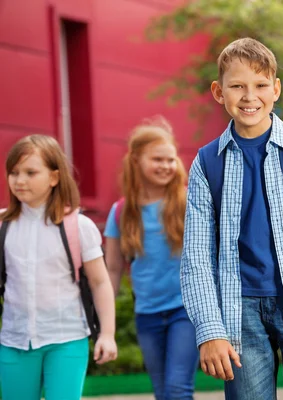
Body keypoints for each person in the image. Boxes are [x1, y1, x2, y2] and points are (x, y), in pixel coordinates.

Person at [180, 37, 283, 400]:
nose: (249, 96)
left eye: (259, 85)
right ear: (218, 92)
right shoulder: (207, 163)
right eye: (237, 86)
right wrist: (210, 330)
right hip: (240, 313)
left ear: (276, 89)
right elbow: (196, 258)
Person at [0, 135, 117, 400]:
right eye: (14, 172)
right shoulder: (3, 226)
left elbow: (100, 283)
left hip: (67, 339)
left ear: (54, 177)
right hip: (14, 341)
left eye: (31, 172)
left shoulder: (79, 227)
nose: (19, 180)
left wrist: (107, 334)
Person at [104, 117, 198, 400]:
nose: (166, 166)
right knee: (162, 392)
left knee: (177, 388)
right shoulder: (121, 211)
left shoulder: (188, 201)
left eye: (170, 159)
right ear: (135, 160)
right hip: (147, 314)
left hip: (186, 310)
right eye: (157, 159)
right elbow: (111, 268)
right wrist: (104, 316)